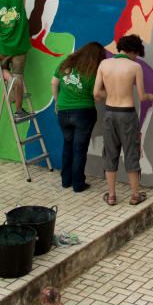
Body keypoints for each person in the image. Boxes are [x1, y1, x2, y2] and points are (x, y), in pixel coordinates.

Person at [93, 34, 153, 206]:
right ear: (133, 51)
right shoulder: (135, 66)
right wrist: (152, 95)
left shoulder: (104, 64)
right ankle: (135, 195)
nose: (136, 57)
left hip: (110, 113)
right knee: (131, 153)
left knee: (110, 153)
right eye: (137, 53)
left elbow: (96, 93)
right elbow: (142, 96)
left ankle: (112, 195)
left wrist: (111, 94)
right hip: (127, 114)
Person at [51, 42, 105, 193]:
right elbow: (98, 95)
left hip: (63, 112)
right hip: (83, 113)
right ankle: (78, 184)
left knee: (68, 146)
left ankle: (65, 181)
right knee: (79, 149)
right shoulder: (93, 71)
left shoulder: (65, 64)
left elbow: (53, 83)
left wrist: (57, 102)